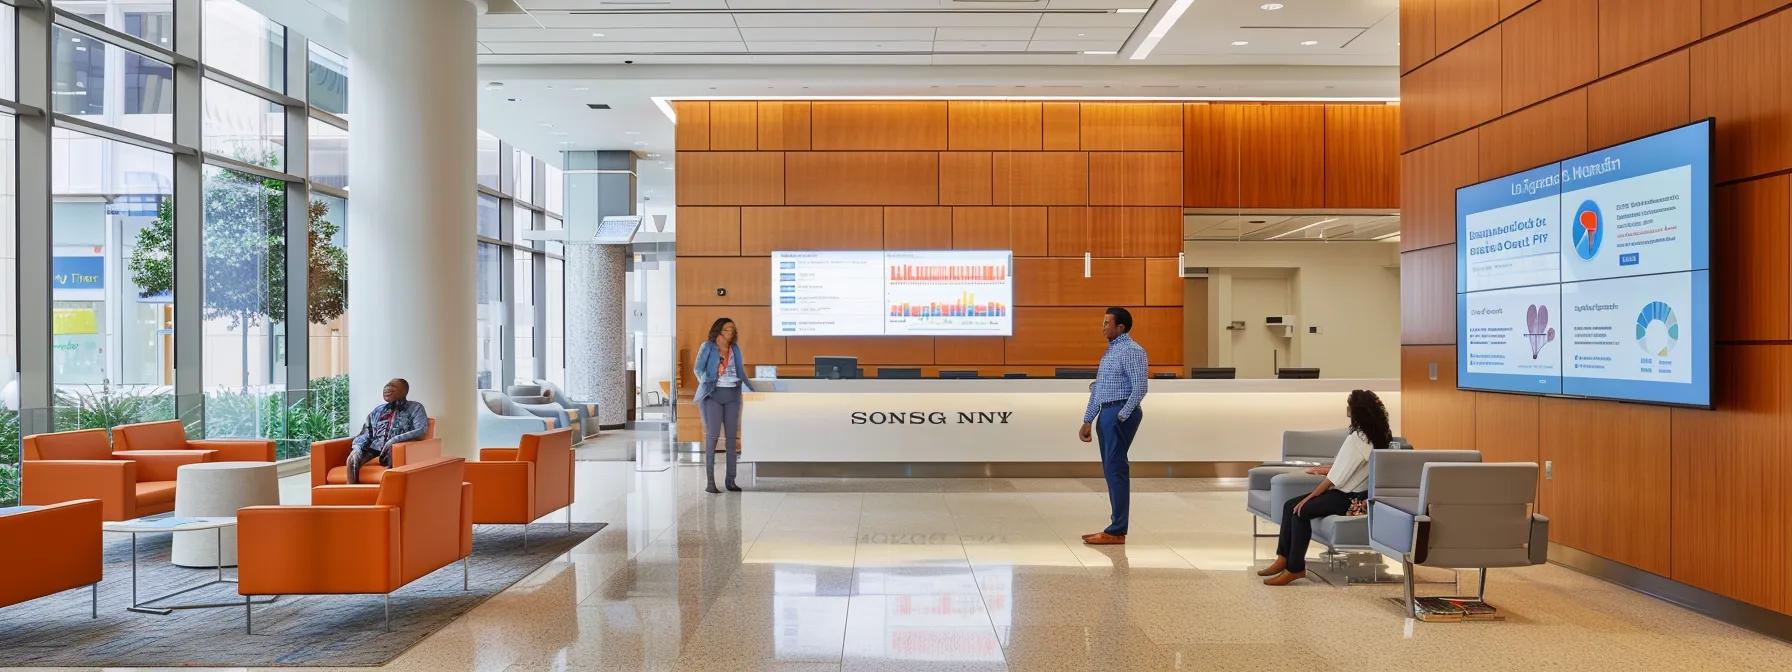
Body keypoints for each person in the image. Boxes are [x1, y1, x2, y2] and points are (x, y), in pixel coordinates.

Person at [1259, 389, 1393, 586]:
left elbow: (1336, 479)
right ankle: (1283, 559)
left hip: (1350, 499)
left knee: (1300, 511)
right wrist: (1328, 469)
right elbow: (1353, 468)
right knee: (1289, 505)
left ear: (1357, 411)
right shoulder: (1378, 436)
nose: (1347, 409)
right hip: (1356, 494)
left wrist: (1310, 497)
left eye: (1349, 406)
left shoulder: (1358, 438)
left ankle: (1295, 569)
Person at [1079, 307, 1149, 545]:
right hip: (1106, 412)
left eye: (1107, 323)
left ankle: (1117, 530)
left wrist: (1122, 415)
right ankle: (1115, 527)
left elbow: (1140, 387)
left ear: (1121, 327)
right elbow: (1098, 388)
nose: (1103, 327)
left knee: (1116, 469)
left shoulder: (1132, 350)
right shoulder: (1111, 351)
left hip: (1117, 412)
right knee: (1111, 470)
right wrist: (1088, 419)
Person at [694, 317, 753, 494]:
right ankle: (710, 483)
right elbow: (698, 369)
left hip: (733, 394)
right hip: (713, 395)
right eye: (728, 329)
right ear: (719, 331)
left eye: (733, 329)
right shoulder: (708, 346)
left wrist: (752, 388)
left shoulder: (735, 348)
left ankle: (731, 481)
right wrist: (710, 379)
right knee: (712, 438)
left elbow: (740, 371)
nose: (731, 332)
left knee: (731, 440)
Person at [346, 378, 430, 485]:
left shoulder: (415, 407)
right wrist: (357, 447)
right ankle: (353, 490)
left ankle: (389, 489)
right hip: (375, 449)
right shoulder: (378, 410)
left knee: (393, 452)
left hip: (395, 449)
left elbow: (421, 430)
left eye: (392, 386)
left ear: (404, 391)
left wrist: (394, 440)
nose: (387, 388)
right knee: (353, 457)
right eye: (386, 385)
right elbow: (366, 433)